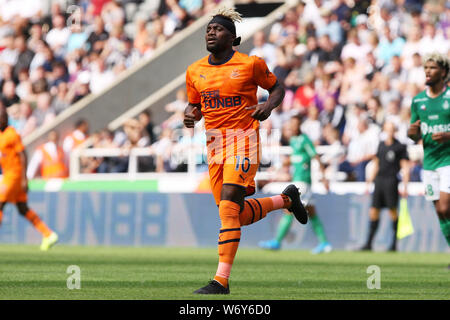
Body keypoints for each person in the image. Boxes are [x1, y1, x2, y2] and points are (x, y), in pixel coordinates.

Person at [183, 7, 308, 295]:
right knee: (234, 215)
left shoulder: (251, 64)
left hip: (243, 140)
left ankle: (221, 281)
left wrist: (268, 105)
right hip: (214, 145)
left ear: (233, 37)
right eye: (209, 29)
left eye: (218, 29)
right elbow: (195, 108)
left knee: (228, 207)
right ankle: (285, 200)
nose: (211, 32)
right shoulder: (195, 71)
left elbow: (278, 89)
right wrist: (189, 115)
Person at [259, 116, 332, 254]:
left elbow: (316, 157)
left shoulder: (305, 140)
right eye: (289, 125)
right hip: (299, 181)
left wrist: (324, 178)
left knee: (288, 209)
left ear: (298, 126)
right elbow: (294, 159)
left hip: (302, 182)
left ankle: (277, 242)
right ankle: (324, 243)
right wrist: (278, 167)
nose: (290, 128)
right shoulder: (293, 141)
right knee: (311, 212)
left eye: (293, 125)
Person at [0, 105, 58, 251]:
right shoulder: (1, 135)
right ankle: (48, 234)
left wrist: (25, 178)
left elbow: (22, 154)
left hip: (15, 175)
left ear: (5, 119)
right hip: (9, 175)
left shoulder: (12, 134)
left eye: (3, 118)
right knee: (22, 208)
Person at [407, 53, 450, 247]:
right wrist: (412, 132)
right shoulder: (418, 101)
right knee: (440, 212)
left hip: (448, 160)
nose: (427, 71)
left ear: (443, 72)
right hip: (430, 162)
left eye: (432, 68)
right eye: (426, 68)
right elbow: (414, 134)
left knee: (445, 206)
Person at [360, 121, 410, 252]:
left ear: (395, 131)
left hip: (391, 181)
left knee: (392, 211)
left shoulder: (400, 147)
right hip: (379, 181)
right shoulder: (381, 145)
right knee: (374, 211)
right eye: (387, 129)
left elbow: (405, 166)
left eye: (392, 129)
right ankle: (369, 243)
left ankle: (394, 244)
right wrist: (369, 180)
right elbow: (376, 163)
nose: (390, 132)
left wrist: (405, 185)